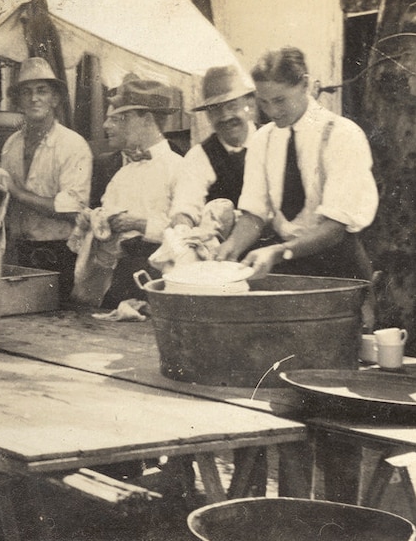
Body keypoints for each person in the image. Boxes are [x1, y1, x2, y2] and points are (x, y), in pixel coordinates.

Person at [216, 46, 379, 503]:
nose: (270, 111)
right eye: (263, 102)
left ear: (307, 85)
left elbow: (333, 227)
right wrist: (227, 252)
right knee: (287, 401)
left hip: (338, 273)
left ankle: (343, 515)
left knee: (337, 408)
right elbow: (254, 212)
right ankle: (290, 512)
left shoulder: (342, 135)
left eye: (280, 101)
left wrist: (278, 253)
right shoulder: (264, 139)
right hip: (288, 276)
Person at [70, 75, 206, 308]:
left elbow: (189, 234)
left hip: (163, 278)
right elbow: (104, 243)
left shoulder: (182, 168)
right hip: (121, 279)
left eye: (121, 118)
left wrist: (140, 224)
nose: (107, 126)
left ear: (147, 119)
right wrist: (91, 222)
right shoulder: (122, 175)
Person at [1, 57, 92, 300]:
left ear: (55, 99)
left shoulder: (73, 145)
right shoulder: (11, 144)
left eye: (42, 91)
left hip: (59, 252)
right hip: (19, 251)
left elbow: (72, 208)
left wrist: (17, 193)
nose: (34, 98)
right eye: (26, 92)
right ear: (18, 101)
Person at [186, 65, 257, 206]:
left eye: (232, 106)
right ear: (208, 116)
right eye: (216, 110)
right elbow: (186, 204)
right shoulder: (198, 156)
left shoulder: (272, 140)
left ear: (248, 105)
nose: (225, 116)